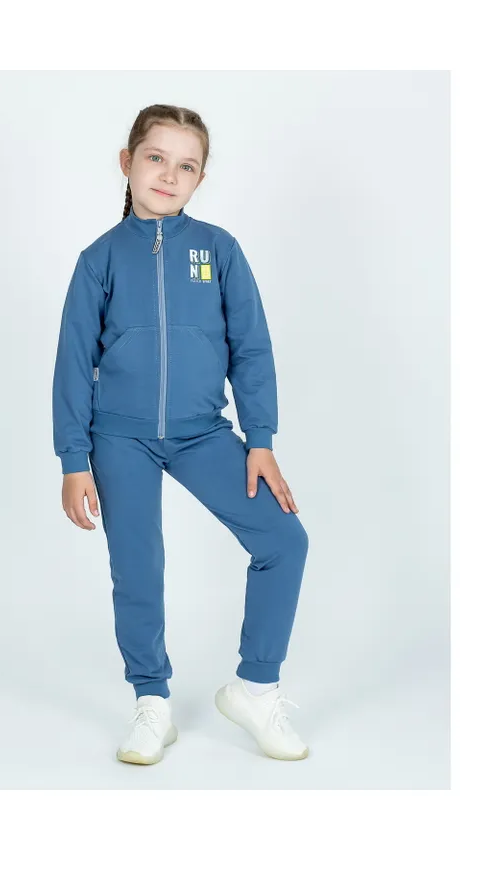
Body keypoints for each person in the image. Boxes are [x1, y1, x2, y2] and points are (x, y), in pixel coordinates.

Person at [52, 104, 310, 765]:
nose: (169, 175)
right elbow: (73, 362)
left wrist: (260, 439)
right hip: (120, 438)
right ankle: (152, 702)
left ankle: (255, 689)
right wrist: (74, 458)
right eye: (156, 158)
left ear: (200, 178)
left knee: (284, 539)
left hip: (203, 434)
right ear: (127, 162)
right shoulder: (99, 260)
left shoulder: (219, 251)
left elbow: (251, 347)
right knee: (138, 567)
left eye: (186, 165)